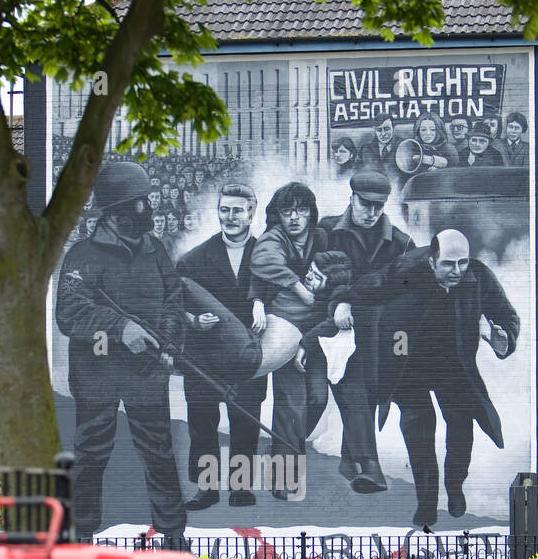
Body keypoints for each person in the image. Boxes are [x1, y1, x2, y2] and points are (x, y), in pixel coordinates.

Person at [55, 160, 187, 542]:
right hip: (96, 374)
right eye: (140, 203)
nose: (148, 209)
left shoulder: (155, 249)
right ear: (115, 212)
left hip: (146, 370)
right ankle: (81, 535)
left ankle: (173, 535)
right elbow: (70, 311)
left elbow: (174, 297)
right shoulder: (82, 255)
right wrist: (120, 328)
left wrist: (167, 339)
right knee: (91, 454)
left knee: (159, 452)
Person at [374, 228, 520, 526]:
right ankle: (427, 502)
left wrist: (499, 334)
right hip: (409, 367)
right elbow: (374, 300)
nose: (457, 271)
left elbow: (507, 315)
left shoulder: (477, 277)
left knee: (461, 425)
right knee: (419, 428)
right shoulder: (406, 273)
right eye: (448, 264)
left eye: (462, 263)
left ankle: (455, 485)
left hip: (453, 364)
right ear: (431, 260)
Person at [320, 168, 415, 492]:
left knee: (368, 392)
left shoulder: (401, 244)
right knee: (355, 390)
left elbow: (408, 296)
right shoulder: (326, 232)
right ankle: (371, 467)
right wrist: (337, 305)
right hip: (332, 330)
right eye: (366, 204)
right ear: (352, 198)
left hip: (379, 337)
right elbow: (312, 280)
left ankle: (349, 460)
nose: (372, 212)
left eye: (379, 205)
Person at [176, 183, 265, 509]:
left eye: (238, 210)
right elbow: (171, 308)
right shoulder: (193, 259)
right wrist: (193, 322)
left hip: (248, 356)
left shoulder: (268, 256)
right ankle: (207, 489)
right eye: (225, 210)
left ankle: (241, 487)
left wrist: (262, 302)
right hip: (204, 356)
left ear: (251, 212)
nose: (230, 217)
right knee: (202, 423)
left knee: (245, 421)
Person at [250, 182, 328, 499]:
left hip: (317, 331)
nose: (295, 217)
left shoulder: (322, 237)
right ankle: (284, 475)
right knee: (290, 404)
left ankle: (287, 446)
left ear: (311, 212)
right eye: (287, 211)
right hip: (283, 326)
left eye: (302, 210)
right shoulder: (273, 238)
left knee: (317, 400)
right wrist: (297, 288)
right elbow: (263, 263)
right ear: (278, 214)